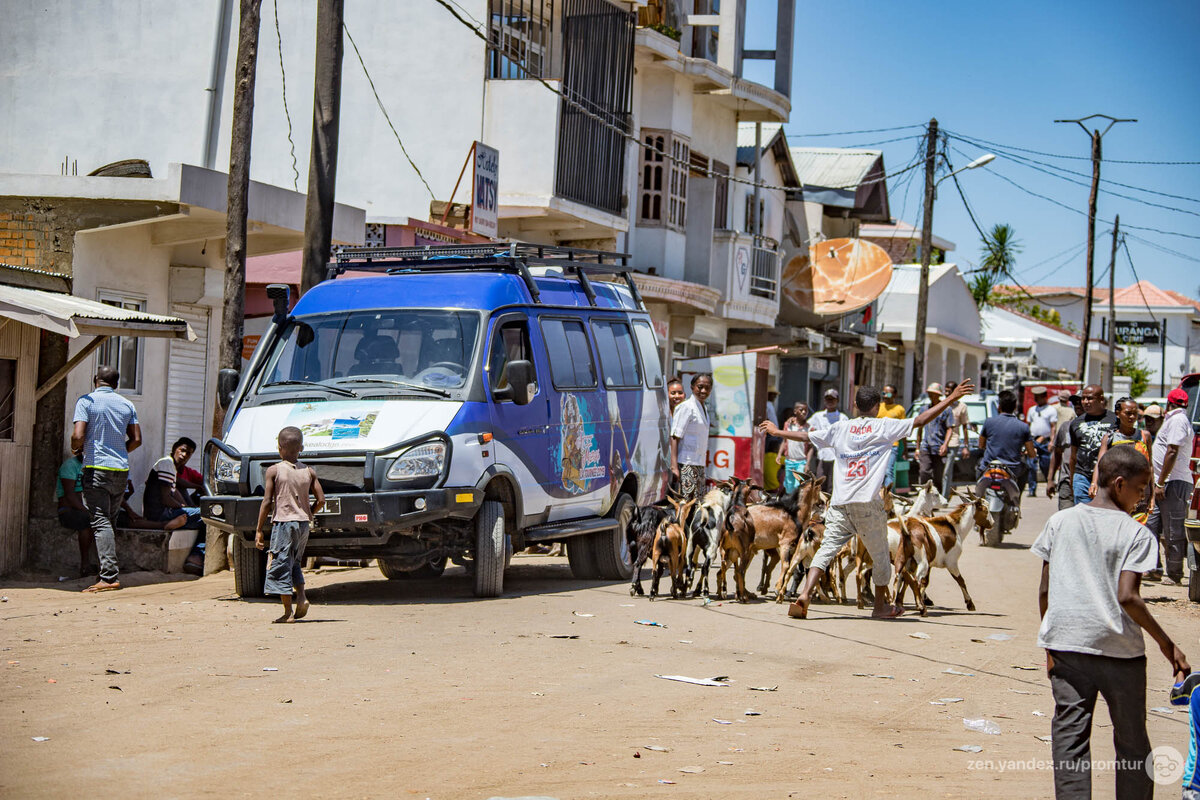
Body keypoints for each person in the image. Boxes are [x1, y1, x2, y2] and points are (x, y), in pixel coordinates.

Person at [1032, 446, 1189, 799]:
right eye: (1140, 488)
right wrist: (1169, 646)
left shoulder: (1060, 521)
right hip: (1122, 654)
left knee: (1070, 740)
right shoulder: (1135, 533)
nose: (1143, 497)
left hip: (1068, 648)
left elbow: (1044, 591)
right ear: (1119, 484)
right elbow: (1128, 597)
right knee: (1132, 742)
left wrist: (1051, 643)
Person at [759, 380, 974, 620]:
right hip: (867, 503)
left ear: (854, 405)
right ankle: (881, 606)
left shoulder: (841, 427)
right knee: (881, 554)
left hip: (840, 502)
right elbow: (921, 420)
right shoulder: (884, 426)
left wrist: (777, 432)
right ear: (878, 406)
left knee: (827, 548)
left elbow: (806, 435)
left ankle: (806, 594)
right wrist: (952, 398)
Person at [71, 365, 141, 593]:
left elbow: (78, 435)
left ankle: (109, 577)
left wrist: (76, 448)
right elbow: (136, 439)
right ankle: (107, 571)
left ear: (95, 380)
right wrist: (120, 452)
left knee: (100, 522)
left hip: (96, 467)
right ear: (116, 384)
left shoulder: (86, 401)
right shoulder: (127, 404)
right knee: (108, 521)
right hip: (120, 469)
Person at [255, 426, 324, 623]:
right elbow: (321, 500)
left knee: (280, 564)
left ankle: (288, 613)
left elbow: (267, 502)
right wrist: (309, 512)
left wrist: (259, 529)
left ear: (279, 448)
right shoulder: (309, 471)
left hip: (284, 524)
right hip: (303, 525)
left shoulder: (274, 470)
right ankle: (301, 597)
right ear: (301, 447)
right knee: (294, 562)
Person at [1147, 388, 1193, 587]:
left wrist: (1160, 482)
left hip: (1171, 483)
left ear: (1168, 404)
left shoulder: (1177, 420)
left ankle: (1174, 574)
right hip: (1163, 482)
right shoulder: (1176, 419)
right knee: (1150, 525)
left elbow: (1172, 451)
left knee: (1173, 530)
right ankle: (1153, 568)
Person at [1090, 397, 1153, 513]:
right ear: (1118, 414)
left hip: (1140, 494)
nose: (1132, 417)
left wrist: (1152, 496)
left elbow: (1150, 467)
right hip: (1117, 493)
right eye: (1128, 413)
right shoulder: (1109, 438)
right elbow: (1100, 462)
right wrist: (1094, 483)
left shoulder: (1145, 436)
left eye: (1135, 414)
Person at [977, 390, 1035, 499]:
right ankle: (1017, 500)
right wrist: (1027, 452)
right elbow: (1031, 454)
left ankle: (979, 498)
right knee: (1026, 468)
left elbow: (981, 445)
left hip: (989, 467)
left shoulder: (989, 422)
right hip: (1012, 469)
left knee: (979, 469)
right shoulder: (1023, 427)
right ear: (1015, 407)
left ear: (999, 406)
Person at [1067, 384, 1117, 506]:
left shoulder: (1114, 420)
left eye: (1089, 398)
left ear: (1101, 399)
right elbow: (1073, 455)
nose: (1085, 402)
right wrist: (1072, 480)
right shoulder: (1076, 423)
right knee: (1083, 514)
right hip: (1082, 476)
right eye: (1083, 398)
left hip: (1106, 477)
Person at [671, 373, 712, 507]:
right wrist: (674, 467)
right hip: (686, 464)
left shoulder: (703, 408)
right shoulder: (686, 407)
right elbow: (675, 436)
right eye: (700, 387)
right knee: (685, 505)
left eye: (707, 388)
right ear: (692, 387)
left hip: (699, 463)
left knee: (698, 504)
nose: (703, 391)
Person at [144, 438, 203, 532]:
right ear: (175, 448)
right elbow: (166, 498)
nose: (184, 455)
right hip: (160, 514)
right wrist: (182, 507)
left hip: (163, 513)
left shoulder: (171, 467)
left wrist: (187, 507)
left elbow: (174, 491)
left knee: (204, 518)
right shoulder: (167, 463)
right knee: (208, 515)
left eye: (188, 453)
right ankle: (200, 547)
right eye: (182, 450)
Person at [56, 452, 94, 577]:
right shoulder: (70, 466)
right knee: (85, 521)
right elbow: (70, 496)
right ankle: (85, 564)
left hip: (83, 506)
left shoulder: (93, 465)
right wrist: (87, 511)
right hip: (67, 509)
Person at [1047, 394, 1084, 511]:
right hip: (1066, 482)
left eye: (1080, 401)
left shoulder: (1096, 429)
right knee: (1066, 521)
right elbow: (1057, 454)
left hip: (1087, 483)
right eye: (1075, 402)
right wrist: (1050, 479)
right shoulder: (1065, 427)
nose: (1078, 405)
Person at [916, 383, 953, 487]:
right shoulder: (923, 409)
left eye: (933, 394)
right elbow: (920, 428)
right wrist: (917, 447)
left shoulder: (946, 409)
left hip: (939, 446)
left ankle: (937, 497)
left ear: (938, 395)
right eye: (929, 394)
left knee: (938, 476)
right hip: (926, 446)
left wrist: (945, 444)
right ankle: (924, 493)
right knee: (924, 471)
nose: (931, 396)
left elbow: (950, 428)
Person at [808, 388, 846, 486]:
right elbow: (806, 427)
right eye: (827, 399)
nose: (830, 402)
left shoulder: (843, 418)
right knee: (820, 484)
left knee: (833, 485)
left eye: (832, 399)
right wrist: (793, 420)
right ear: (824, 401)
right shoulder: (818, 416)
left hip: (837, 458)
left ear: (837, 401)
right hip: (822, 456)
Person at [1026, 386, 1058, 498]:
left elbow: (1053, 427)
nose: (1036, 400)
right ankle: (1031, 489)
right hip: (1033, 440)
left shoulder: (1051, 410)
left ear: (1044, 397)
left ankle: (1049, 484)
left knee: (1046, 464)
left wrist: (1052, 442)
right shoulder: (1032, 410)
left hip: (1045, 441)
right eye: (1035, 397)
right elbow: (1028, 425)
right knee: (1031, 465)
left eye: (1038, 397)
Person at [942, 380, 971, 497]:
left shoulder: (961, 407)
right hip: (939, 442)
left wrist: (966, 446)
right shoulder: (941, 404)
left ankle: (944, 497)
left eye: (949, 391)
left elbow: (965, 427)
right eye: (945, 391)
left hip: (953, 442)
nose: (946, 393)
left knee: (946, 472)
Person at [776, 402, 813, 494]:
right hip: (789, 461)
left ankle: (796, 504)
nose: (804, 412)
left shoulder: (809, 428)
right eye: (801, 410)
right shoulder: (788, 425)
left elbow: (811, 448)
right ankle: (789, 503)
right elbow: (784, 441)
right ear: (795, 411)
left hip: (801, 461)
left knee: (799, 484)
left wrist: (807, 463)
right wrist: (779, 454)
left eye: (806, 410)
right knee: (789, 485)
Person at [877, 385, 906, 488]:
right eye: (883, 393)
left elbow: (903, 430)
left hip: (892, 445)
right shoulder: (877, 407)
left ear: (894, 395)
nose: (885, 396)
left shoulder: (899, 409)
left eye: (888, 393)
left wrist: (905, 449)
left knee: (888, 471)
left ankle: (887, 497)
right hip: (878, 444)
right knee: (878, 472)